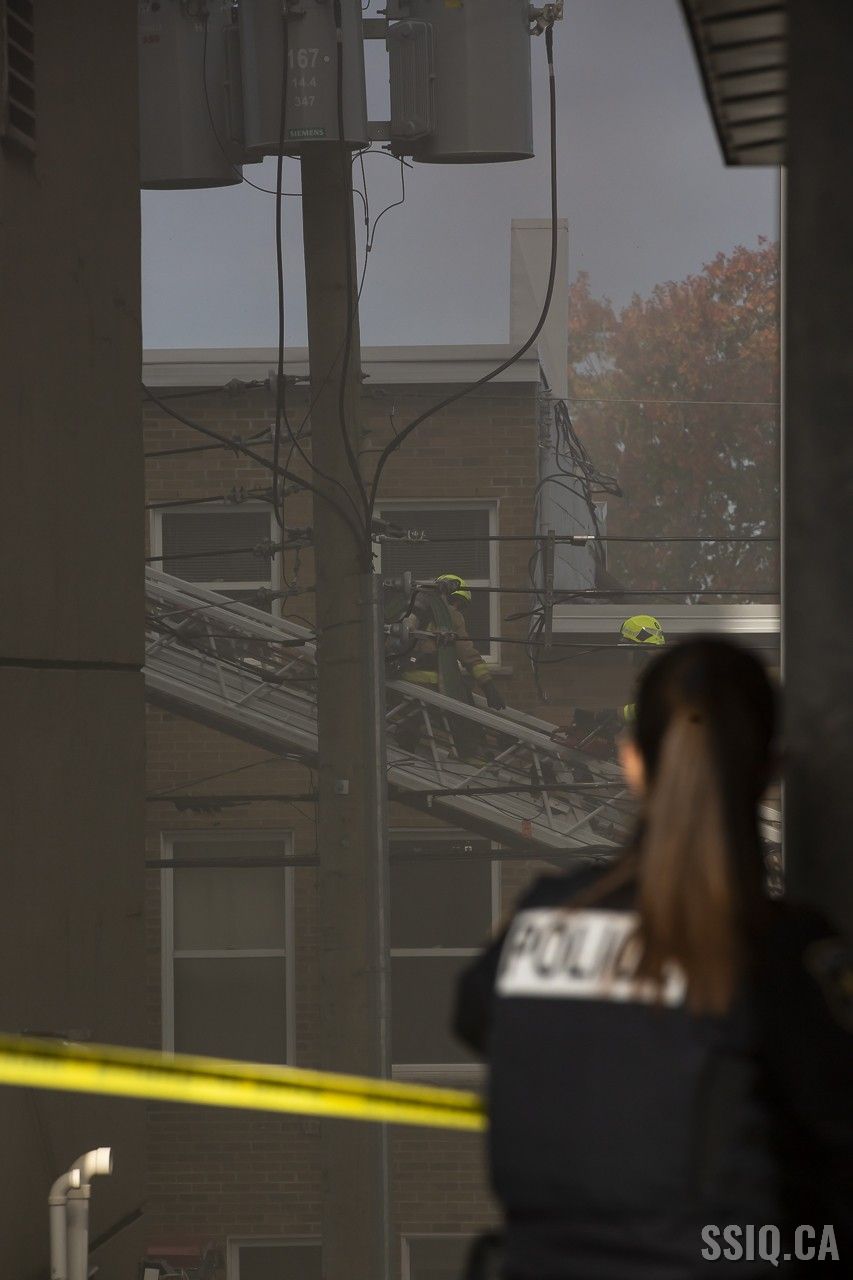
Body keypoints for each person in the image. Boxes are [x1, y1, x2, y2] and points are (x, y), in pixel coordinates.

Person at [454, 638, 852, 1279]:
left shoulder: (543, 919)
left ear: (632, 762)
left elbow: (477, 1018)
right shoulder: (785, 954)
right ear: (770, 771)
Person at [398, 573, 506, 710]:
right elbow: (467, 654)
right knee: (462, 717)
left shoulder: (411, 609)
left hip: (404, 681)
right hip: (431, 685)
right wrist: (488, 686)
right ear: (452, 598)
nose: (457, 608)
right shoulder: (450, 615)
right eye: (459, 604)